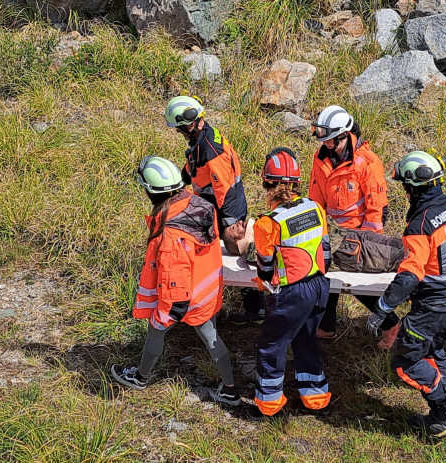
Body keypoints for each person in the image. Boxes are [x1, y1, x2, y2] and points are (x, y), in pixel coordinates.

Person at [111, 156, 240, 406]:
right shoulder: (201, 205)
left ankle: (141, 377)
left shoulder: (170, 234)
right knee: (212, 337)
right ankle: (231, 389)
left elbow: (175, 278)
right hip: (207, 291)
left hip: (184, 296)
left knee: (155, 331)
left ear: (152, 192)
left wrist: (167, 312)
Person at [367, 151, 446, 437]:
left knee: (405, 362)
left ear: (413, 187)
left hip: (432, 309)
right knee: (433, 351)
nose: (403, 190)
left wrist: (382, 307)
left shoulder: (420, 225)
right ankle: (440, 419)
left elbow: (410, 275)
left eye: (404, 185)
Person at [164, 95, 266, 325]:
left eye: (180, 128)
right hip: (216, 207)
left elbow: (225, 190)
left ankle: (255, 309)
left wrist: (229, 226)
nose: (179, 132)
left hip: (226, 210)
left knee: (237, 256)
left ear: (190, 122)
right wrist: (177, 183)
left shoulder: (211, 149)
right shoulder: (203, 140)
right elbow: (194, 168)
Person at [252, 147, 332, 418]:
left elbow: (264, 266)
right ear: (297, 182)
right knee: (305, 338)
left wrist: (265, 281)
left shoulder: (267, 223)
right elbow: (326, 251)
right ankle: (316, 397)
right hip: (320, 285)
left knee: (272, 345)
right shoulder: (315, 208)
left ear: (266, 182)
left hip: (291, 292)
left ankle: (269, 403)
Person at [308, 105, 396, 348]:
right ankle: (325, 327)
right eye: (324, 140)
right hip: (331, 232)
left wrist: (369, 245)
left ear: (344, 135)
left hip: (359, 236)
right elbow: (316, 197)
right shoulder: (321, 158)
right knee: (323, 276)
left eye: (331, 141)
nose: (326, 145)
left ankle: (391, 325)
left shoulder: (367, 162)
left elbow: (376, 207)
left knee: (359, 287)